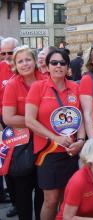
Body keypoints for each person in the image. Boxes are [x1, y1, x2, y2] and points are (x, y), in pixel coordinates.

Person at [25, 49, 86, 220]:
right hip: (48, 153)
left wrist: (80, 141)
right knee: (50, 200)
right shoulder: (38, 87)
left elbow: (79, 118)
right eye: (54, 63)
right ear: (47, 66)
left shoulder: (75, 87)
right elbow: (30, 120)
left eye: (62, 63)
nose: (58, 66)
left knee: (65, 198)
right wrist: (55, 138)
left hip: (70, 152)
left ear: (68, 67)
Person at [2, 45, 44, 220]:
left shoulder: (45, 81)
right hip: (21, 146)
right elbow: (8, 118)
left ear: (35, 62)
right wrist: (35, 121)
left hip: (44, 144)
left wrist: (33, 122)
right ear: (15, 65)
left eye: (28, 59)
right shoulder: (12, 84)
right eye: (20, 61)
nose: (25, 64)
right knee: (23, 194)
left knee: (43, 193)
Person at [0, 37, 19, 218]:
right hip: (5, 126)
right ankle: (15, 202)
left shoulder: (24, 67)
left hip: (26, 124)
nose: (6, 57)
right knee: (9, 166)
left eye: (10, 53)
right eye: (3, 53)